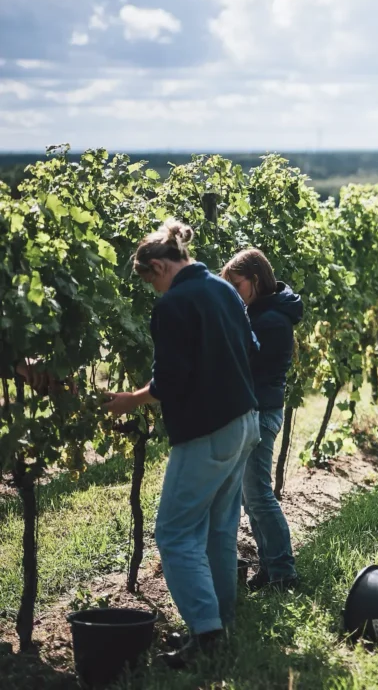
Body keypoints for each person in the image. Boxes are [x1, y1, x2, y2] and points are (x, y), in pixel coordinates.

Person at [102, 220, 260, 668]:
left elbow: (169, 382)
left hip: (208, 431)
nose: (154, 291)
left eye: (150, 281)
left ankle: (206, 635)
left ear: (158, 266)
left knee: (173, 533)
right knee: (219, 530)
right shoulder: (224, 290)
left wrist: (131, 399)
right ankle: (220, 625)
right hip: (245, 422)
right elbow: (249, 347)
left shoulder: (174, 304)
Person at [221, 248, 303, 592]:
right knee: (251, 494)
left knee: (257, 495)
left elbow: (243, 367)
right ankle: (270, 568)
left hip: (260, 414)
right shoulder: (262, 312)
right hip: (256, 412)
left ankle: (284, 573)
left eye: (236, 286)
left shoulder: (269, 321)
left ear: (255, 280)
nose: (235, 295)